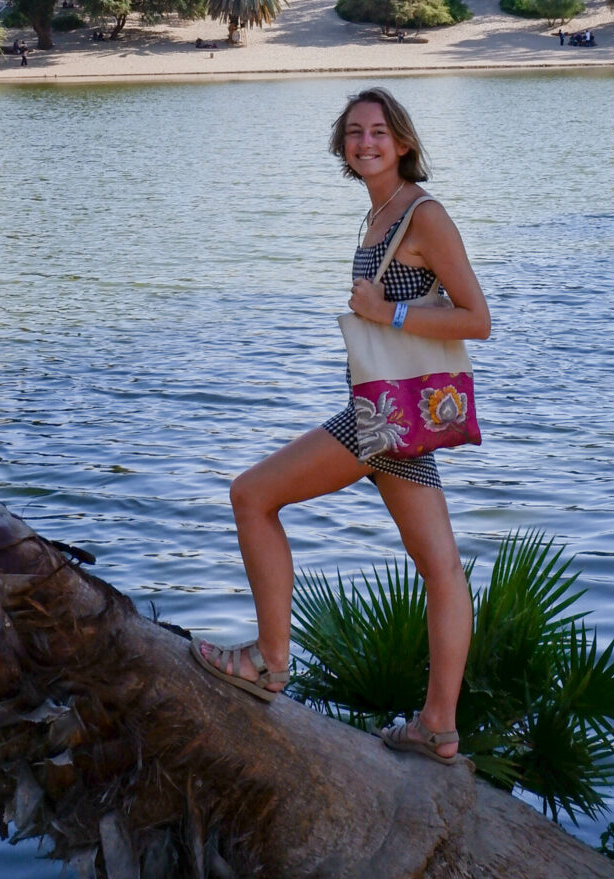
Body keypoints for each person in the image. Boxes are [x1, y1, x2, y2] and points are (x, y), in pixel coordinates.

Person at [195, 88, 492, 765]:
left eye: (379, 131)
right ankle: (438, 728)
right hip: (392, 415)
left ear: (404, 142)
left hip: (381, 418)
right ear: (342, 146)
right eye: (354, 132)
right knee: (442, 567)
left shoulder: (424, 215)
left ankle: (269, 662)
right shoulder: (379, 214)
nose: (366, 143)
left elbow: (477, 318)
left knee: (251, 495)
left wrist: (388, 314)